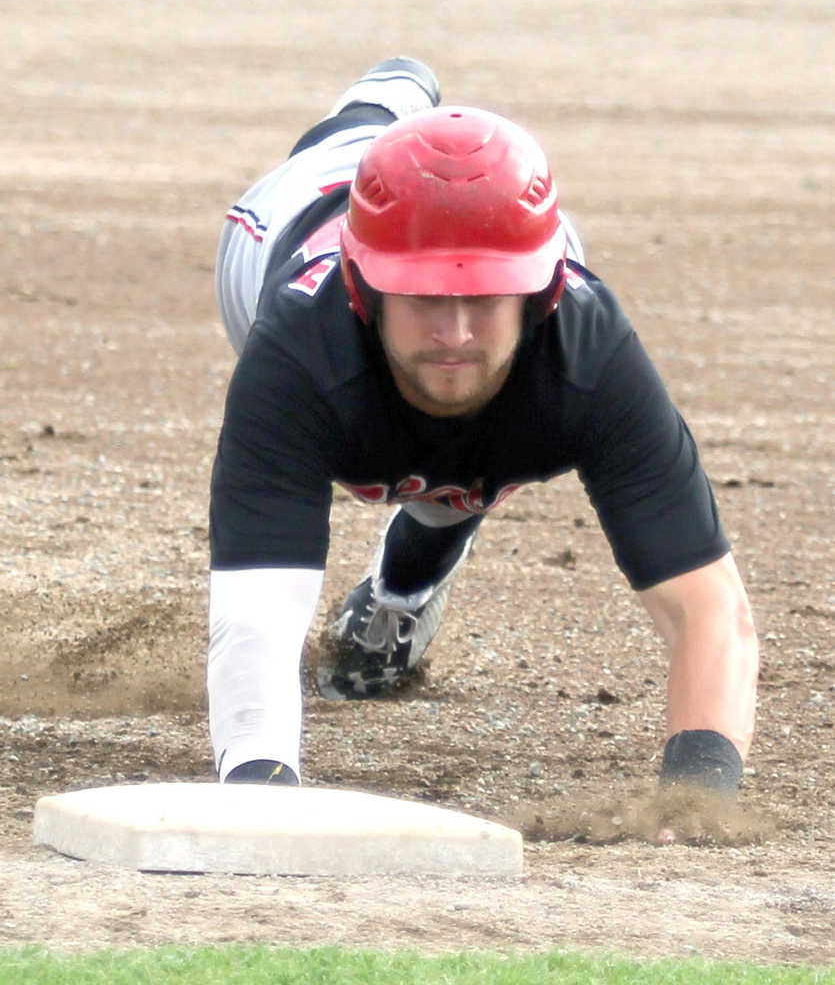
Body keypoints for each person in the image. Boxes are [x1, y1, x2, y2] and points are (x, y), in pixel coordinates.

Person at [207, 57, 759, 833]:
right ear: (365, 287)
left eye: (485, 298)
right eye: (425, 297)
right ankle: (383, 100)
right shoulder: (295, 351)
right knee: (344, 145)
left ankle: (404, 589)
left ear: (539, 290)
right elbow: (258, 609)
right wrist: (260, 781)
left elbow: (708, 610)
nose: (456, 331)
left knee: (478, 448)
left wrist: (696, 796)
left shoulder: (587, 351)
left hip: (499, 377)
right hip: (288, 217)